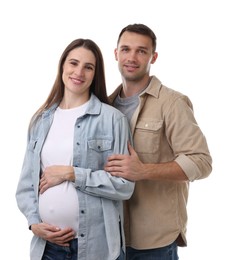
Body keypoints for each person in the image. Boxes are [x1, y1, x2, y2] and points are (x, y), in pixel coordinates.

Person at [15, 38, 135, 260]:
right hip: (47, 248)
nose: (79, 72)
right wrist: (33, 224)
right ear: (62, 66)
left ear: (95, 74)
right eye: (73, 63)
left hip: (96, 248)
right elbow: (26, 185)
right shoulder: (40, 120)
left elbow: (124, 187)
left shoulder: (112, 120)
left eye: (88, 67)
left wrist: (71, 174)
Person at [104, 23, 212, 260]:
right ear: (115, 53)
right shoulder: (105, 106)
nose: (132, 57)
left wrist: (143, 171)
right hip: (109, 237)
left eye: (141, 51)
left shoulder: (172, 103)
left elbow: (201, 162)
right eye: (126, 49)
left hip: (154, 241)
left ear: (153, 57)